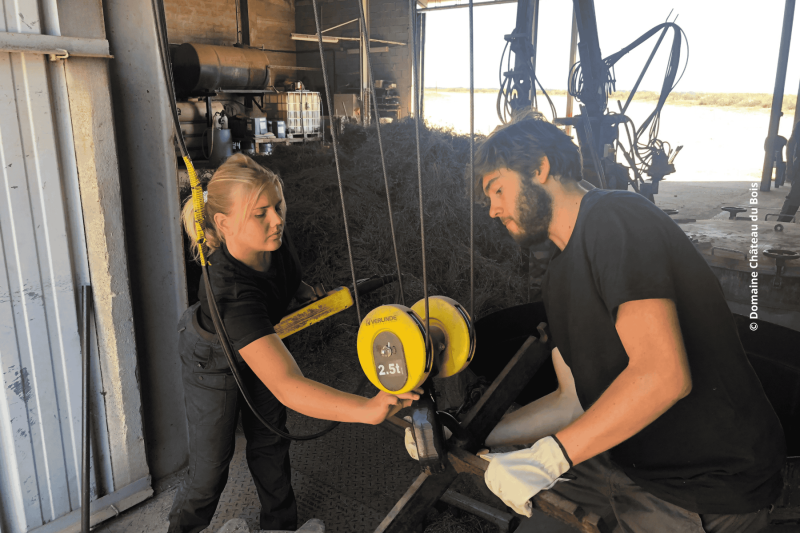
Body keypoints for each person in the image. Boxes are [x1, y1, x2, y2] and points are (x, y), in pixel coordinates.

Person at [471, 114, 785, 532]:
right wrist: (475, 434)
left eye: (497, 190)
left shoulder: (615, 217)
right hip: (628, 461)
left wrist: (552, 456)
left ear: (539, 169)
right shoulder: (560, 273)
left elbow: (664, 375)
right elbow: (572, 400)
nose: (493, 210)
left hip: (706, 480)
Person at [169, 154, 420, 533]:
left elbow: (280, 277)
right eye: (261, 213)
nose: (277, 219)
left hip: (262, 338)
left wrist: (299, 290)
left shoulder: (273, 240)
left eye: (278, 205)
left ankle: (280, 528)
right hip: (214, 359)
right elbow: (289, 387)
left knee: (270, 442)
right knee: (211, 469)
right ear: (223, 223)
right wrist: (367, 409)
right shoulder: (229, 292)